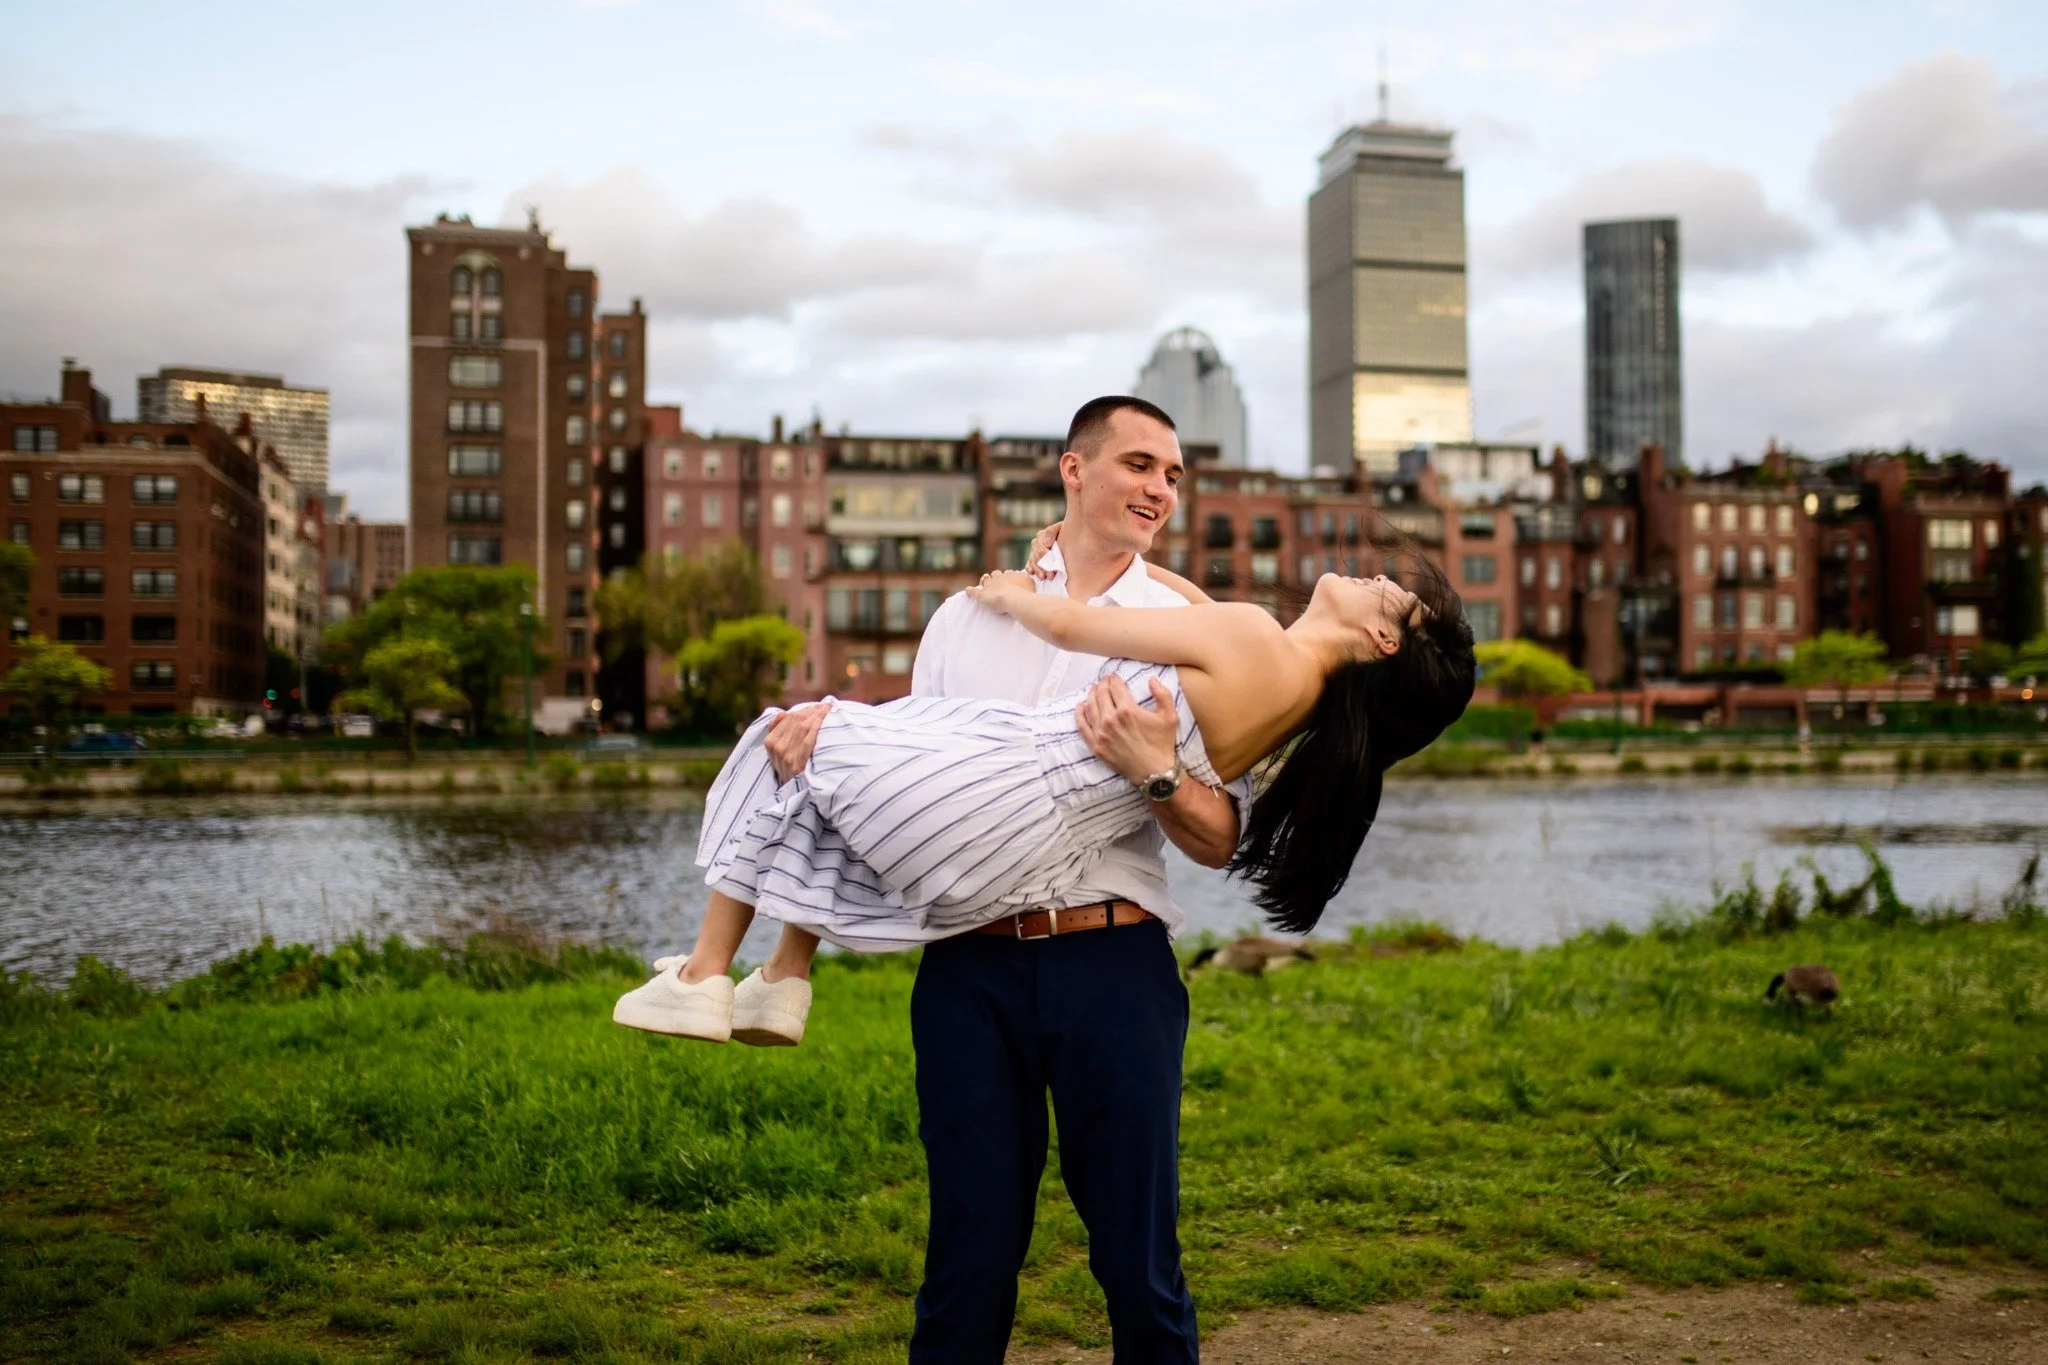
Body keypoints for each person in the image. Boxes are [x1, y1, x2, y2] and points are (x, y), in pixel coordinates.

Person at [613, 403, 1477, 1362]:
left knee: (1139, 1265)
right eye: (1141, 465)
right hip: (970, 965)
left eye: (1174, 475)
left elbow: (1220, 833)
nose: (1160, 487)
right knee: (965, 1264)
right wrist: (880, 712)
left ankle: (732, 973)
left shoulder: (1192, 626)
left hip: (1108, 959)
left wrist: (1154, 769)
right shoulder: (989, 619)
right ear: (1074, 470)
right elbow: (926, 772)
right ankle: (774, 973)